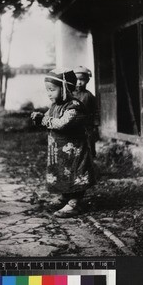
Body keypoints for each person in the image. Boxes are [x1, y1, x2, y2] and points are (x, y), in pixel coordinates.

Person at [31, 68, 95, 218]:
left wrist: (45, 120)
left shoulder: (74, 106)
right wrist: (39, 118)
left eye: (52, 90)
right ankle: (65, 196)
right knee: (61, 171)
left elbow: (62, 123)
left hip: (74, 151)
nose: (49, 93)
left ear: (65, 88)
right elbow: (47, 119)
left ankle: (75, 202)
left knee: (75, 173)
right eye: (47, 90)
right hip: (58, 150)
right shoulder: (54, 106)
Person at [73, 66, 99, 157]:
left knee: (88, 147)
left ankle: (89, 167)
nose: (79, 82)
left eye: (82, 79)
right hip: (72, 125)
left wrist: (95, 126)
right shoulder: (69, 95)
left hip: (87, 127)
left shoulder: (89, 96)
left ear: (87, 80)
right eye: (76, 79)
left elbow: (95, 111)